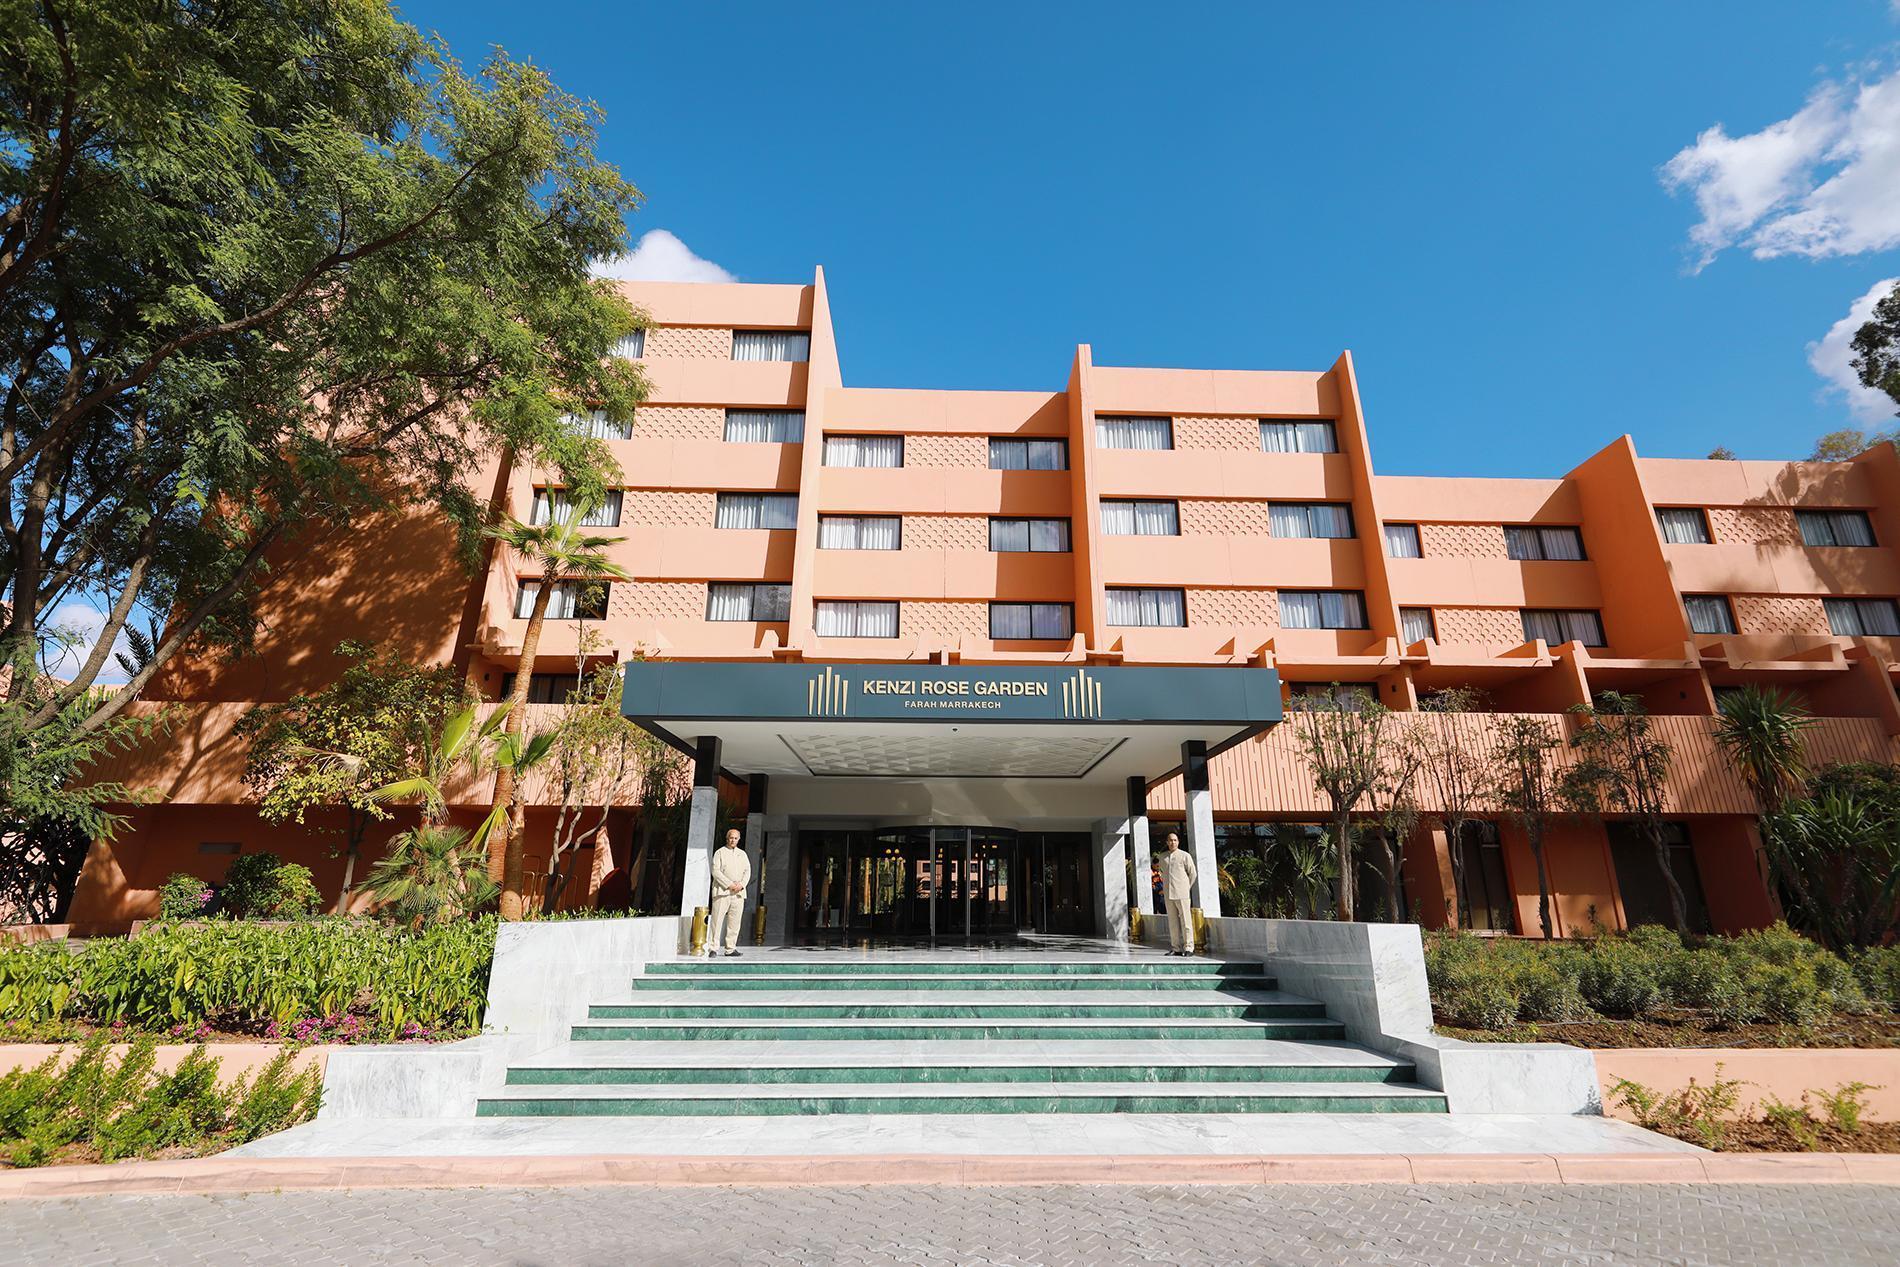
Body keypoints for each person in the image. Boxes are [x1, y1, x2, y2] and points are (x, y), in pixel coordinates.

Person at [708, 827, 751, 957]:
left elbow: (747, 871)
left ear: (739, 839)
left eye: (735, 838)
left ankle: (730, 948)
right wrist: (729, 884)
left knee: (735, 922)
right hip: (722, 892)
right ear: (727, 838)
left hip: (738, 893)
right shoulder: (720, 852)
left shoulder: (742, 854)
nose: (733, 840)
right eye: (731, 838)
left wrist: (741, 885)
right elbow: (716, 871)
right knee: (717, 921)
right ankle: (713, 948)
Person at [1159, 830, 1197, 956]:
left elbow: (1193, 874)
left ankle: (1189, 947)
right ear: (1167, 842)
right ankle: (1176, 948)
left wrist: (1186, 888)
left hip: (1182, 893)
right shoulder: (1162, 857)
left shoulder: (1185, 855)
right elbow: (1163, 874)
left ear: (1178, 842)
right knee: (1172, 922)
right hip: (1168, 894)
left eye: (1175, 840)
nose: (1172, 842)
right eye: (1170, 840)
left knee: (1186, 921)